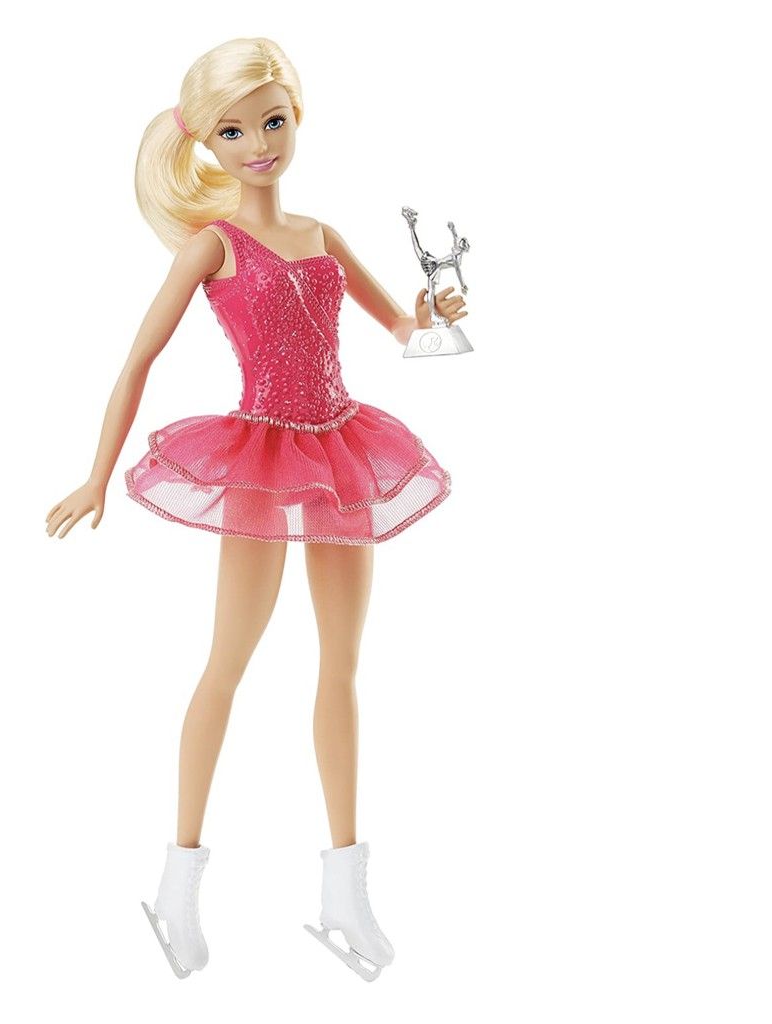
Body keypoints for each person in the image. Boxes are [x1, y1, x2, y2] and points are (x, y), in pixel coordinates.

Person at [44, 37, 464, 982]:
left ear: (295, 117)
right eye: (234, 131)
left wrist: (432, 317)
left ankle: (344, 887)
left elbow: (400, 326)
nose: (259, 144)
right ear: (206, 142)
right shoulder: (214, 246)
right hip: (263, 460)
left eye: (272, 121)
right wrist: (96, 475)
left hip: (342, 451)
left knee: (341, 667)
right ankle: (179, 880)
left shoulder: (321, 235)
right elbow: (137, 361)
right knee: (226, 665)